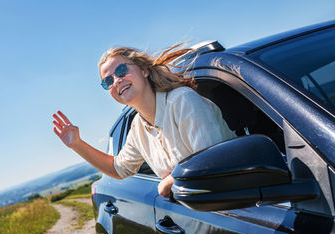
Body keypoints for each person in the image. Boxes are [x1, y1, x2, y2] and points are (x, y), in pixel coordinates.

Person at [52, 44, 236, 198]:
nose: (116, 81)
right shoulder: (137, 128)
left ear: (145, 70)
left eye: (122, 70)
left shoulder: (182, 101)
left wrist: (167, 184)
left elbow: (210, 165)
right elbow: (119, 169)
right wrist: (76, 144)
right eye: (108, 81)